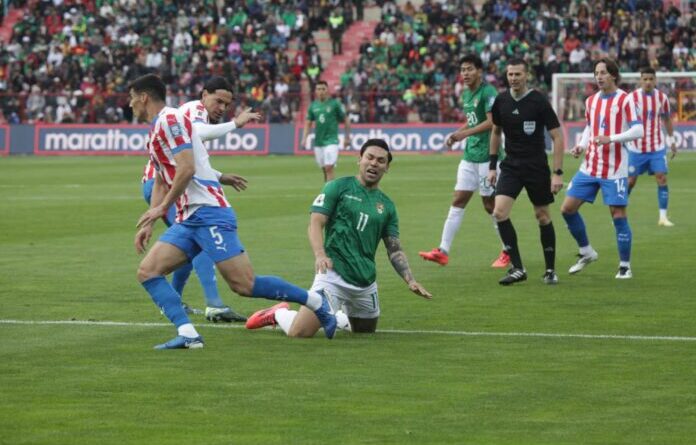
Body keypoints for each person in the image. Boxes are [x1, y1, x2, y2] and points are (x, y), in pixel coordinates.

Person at [130, 74, 337, 349]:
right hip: (189, 218)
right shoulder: (159, 129)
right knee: (148, 271)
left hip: (209, 212)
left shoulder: (170, 119)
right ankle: (189, 335)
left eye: (132, 97)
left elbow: (187, 168)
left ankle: (315, 302)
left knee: (244, 285)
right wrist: (150, 222)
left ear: (143, 97)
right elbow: (160, 178)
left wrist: (162, 209)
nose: (130, 103)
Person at [245, 139, 432, 337]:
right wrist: (319, 254)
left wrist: (410, 280)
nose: (374, 163)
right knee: (299, 333)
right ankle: (279, 313)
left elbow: (394, 248)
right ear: (359, 160)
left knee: (364, 333)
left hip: (364, 282)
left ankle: (336, 315)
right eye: (369, 157)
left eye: (380, 160)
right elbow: (315, 223)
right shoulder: (338, 187)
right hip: (332, 275)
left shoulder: (387, 206)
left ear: (387, 167)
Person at [141, 76, 258, 323]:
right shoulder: (194, 110)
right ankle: (214, 305)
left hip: (170, 183)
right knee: (200, 238)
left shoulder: (195, 113)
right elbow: (198, 133)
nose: (222, 109)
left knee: (187, 246)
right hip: (163, 184)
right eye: (219, 101)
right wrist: (235, 124)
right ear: (204, 95)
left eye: (227, 106)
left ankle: (174, 300)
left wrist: (220, 176)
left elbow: (193, 161)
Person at [419, 54, 509, 268]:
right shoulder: (467, 94)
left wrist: (464, 134)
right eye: (462, 70)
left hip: (489, 157)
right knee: (458, 199)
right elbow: (472, 122)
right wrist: (457, 133)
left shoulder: (488, 92)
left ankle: (508, 250)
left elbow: (492, 123)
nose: (465, 73)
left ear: (479, 71)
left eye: (469, 69)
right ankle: (443, 251)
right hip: (469, 157)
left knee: (490, 205)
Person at [561, 58, 644, 279]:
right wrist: (581, 145)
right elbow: (591, 127)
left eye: (603, 72)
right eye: (596, 72)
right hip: (590, 165)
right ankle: (587, 252)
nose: (599, 76)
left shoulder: (626, 100)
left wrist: (611, 139)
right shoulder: (591, 101)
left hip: (615, 169)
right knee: (567, 209)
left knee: (618, 215)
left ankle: (625, 266)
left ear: (613, 75)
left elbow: (638, 131)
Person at [486, 58, 565, 285]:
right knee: (499, 213)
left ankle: (550, 270)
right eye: (510, 74)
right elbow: (495, 132)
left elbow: (557, 137)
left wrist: (557, 172)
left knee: (542, 216)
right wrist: (492, 166)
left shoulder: (538, 100)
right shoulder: (501, 101)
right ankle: (518, 268)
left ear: (526, 75)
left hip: (536, 166)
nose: (513, 78)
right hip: (511, 165)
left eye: (518, 74)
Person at [628, 66, 678, 226]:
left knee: (662, 178)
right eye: (645, 79)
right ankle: (618, 213)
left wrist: (671, 140)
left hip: (656, 147)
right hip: (636, 148)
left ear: (655, 80)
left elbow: (667, 119)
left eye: (651, 79)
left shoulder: (662, 98)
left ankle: (663, 217)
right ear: (640, 80)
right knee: (630, 182)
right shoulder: (632, 98)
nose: (648, 82)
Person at [301, 80, 351, 182]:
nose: (321, 91)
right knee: (324, 169)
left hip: (331, 141)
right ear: (315, 91)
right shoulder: (313, 106)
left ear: (327, 90)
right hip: (318, 142)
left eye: (323, 89)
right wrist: (304, 138)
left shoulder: (334, 104)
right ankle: (328, 189)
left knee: (329, 168)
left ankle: (329, 195)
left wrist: (347, 137)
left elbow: (346, 119)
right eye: (318, 89)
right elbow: (308, 123)